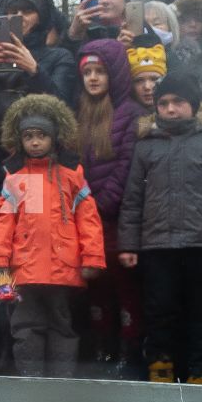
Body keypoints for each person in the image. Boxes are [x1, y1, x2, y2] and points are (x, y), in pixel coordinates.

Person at [116, 70, 202, 384]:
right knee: (160, 307)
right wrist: (128, 244)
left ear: (194, 105)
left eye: (178, 102)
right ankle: (161, 362)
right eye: (163, 103)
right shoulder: (146, 147)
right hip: (158, 244)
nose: (171, 109)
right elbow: (133, 198)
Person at [0, 94, 105, 377]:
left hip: (63, 268)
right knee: (26, 327)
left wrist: (92, 258)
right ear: (20, 139)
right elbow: (2, 223)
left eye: (41, 135)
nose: (35, 142)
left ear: (54, 137)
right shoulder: (14, 178)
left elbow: (88, 219)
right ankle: (32, 383)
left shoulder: (72, 174)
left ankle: (59, 386)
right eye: (29, 136)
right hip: (24, 270)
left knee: (62, 326)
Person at [74, 38, 143, 370]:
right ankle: (104, 344)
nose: (93, 78)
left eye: (100, 71)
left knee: (123, 285)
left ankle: (129, 348)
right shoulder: (81, 112)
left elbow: (127, 164)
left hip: (115, 217)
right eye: (87, 72)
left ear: (114, 73)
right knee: (95, 285)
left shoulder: (129, 112)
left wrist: (101, 203)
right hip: (87, 218)